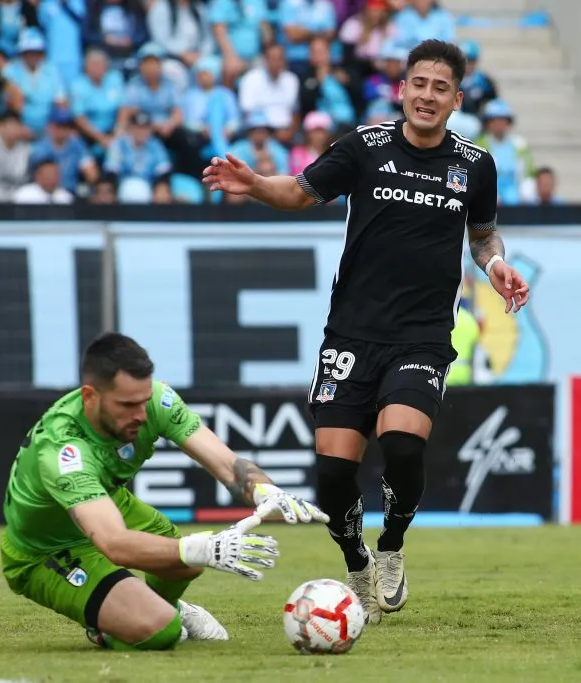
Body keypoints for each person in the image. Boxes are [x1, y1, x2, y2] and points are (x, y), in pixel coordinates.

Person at [202, 38, 530, 625]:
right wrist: (253, 184)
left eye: (440, 88)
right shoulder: (364, 147)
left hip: (423, 334)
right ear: (402, 89)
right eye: (419, 84)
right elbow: (300, 193)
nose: (427, 96)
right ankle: (355, 558)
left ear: (456, 99)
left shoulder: (475, 165)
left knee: (403, 444)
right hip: (351, 333)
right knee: (333, 473)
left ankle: (392, 548)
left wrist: (496, 263)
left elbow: (483, 235)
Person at [0, 332, 329, 651]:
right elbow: (113, 543)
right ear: (90, 396)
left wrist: (266, 493)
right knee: (162, 631)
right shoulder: (63, 451)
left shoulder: (154, 401)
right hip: (46, 549)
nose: (141, 415)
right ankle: (114, 624)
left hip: (105, 503)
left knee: (185, 563)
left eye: (144, 401)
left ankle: (157, 605)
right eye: (128, 405)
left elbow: (227, 464)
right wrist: (206, 548)